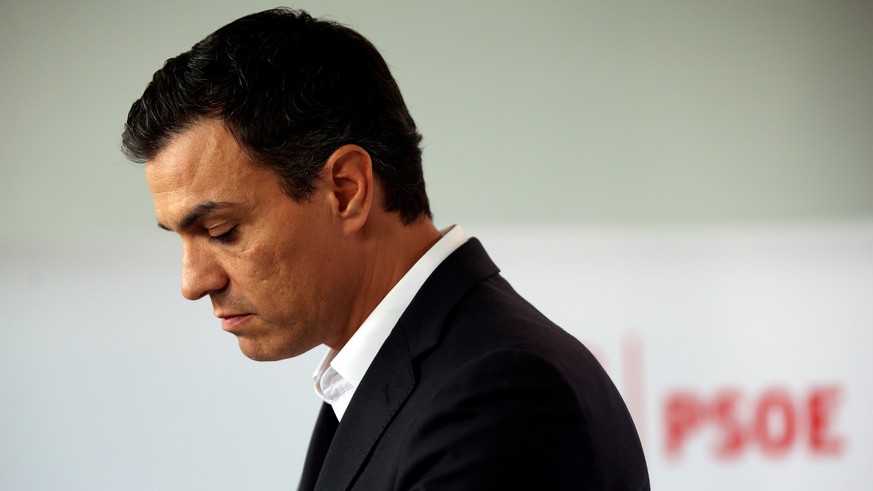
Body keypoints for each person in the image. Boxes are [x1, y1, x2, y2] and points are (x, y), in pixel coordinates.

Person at [122, 8, 649, 490]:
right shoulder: (399, 376)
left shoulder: (498, 397)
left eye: (220, 231)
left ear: (346, 190)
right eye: (181, 239)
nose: (192, 283)